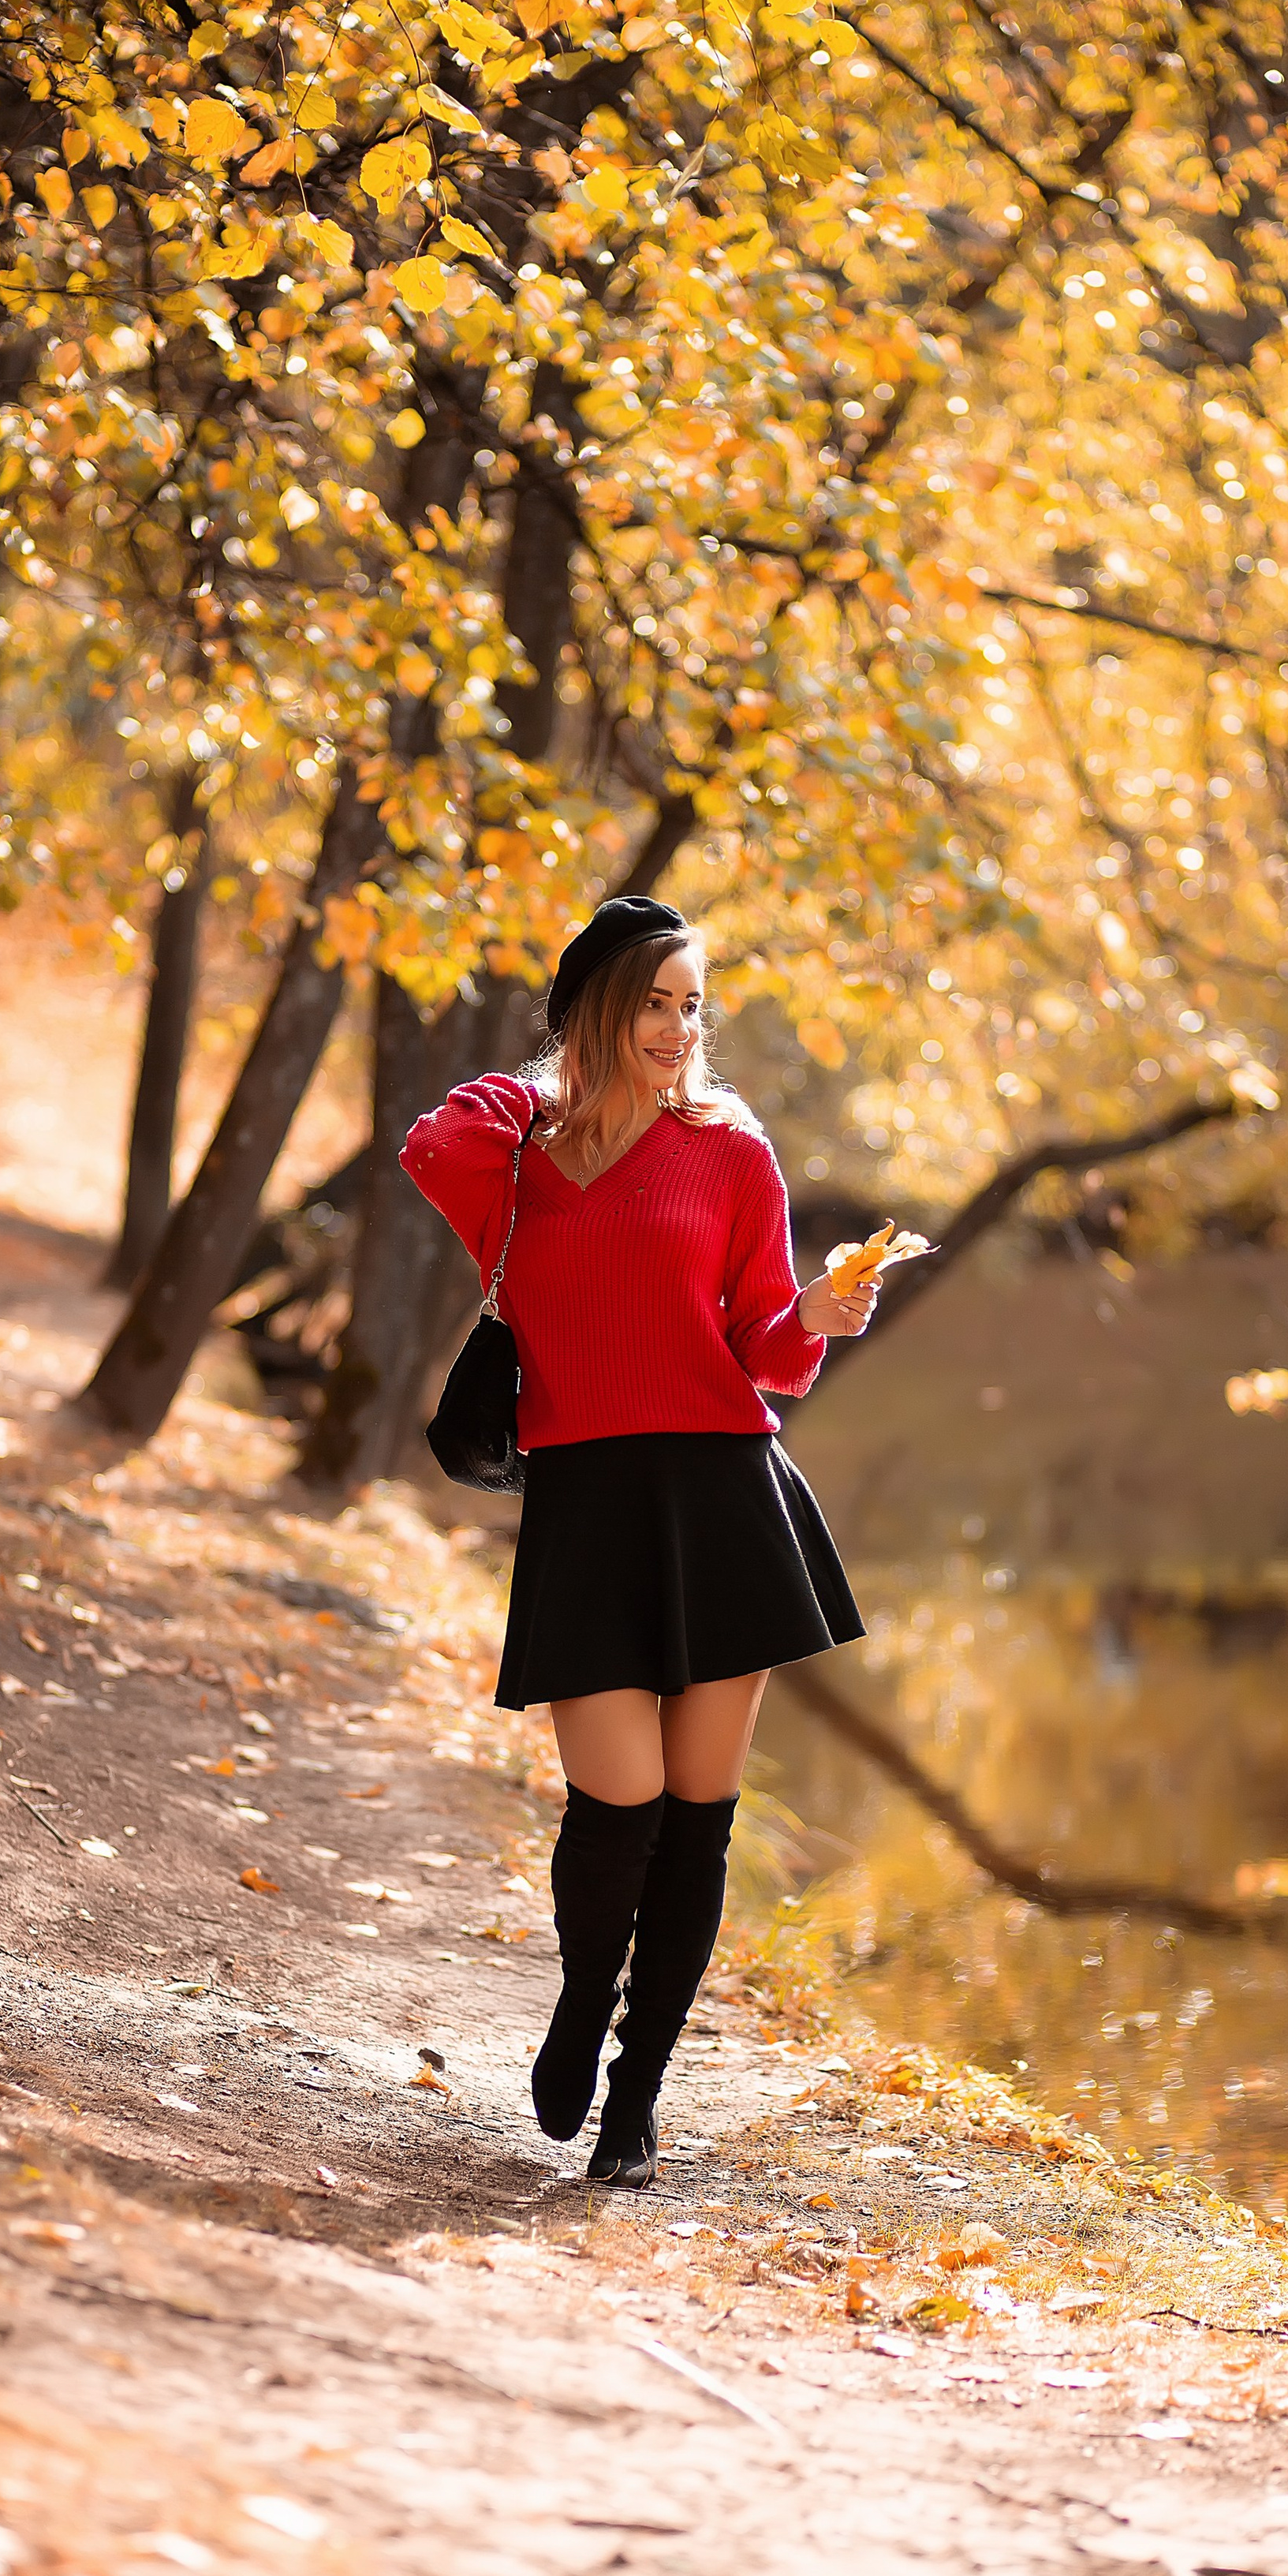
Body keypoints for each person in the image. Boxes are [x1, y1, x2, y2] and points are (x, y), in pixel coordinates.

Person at [403, 895, 875, 2189]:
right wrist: (545, 1082)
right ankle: (577, 2005)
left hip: (725, 1496)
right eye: (655, 1001)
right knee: (613, 1810)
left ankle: (639, 2094)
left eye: (691, 1004)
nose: (680, 1028)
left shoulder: (733, 1152)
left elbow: (766, 1347)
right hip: (589, 1509)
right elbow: (427, 1141)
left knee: (696, 1819)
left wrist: (822, 1310)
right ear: (603, 1008)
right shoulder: (511, 1156)